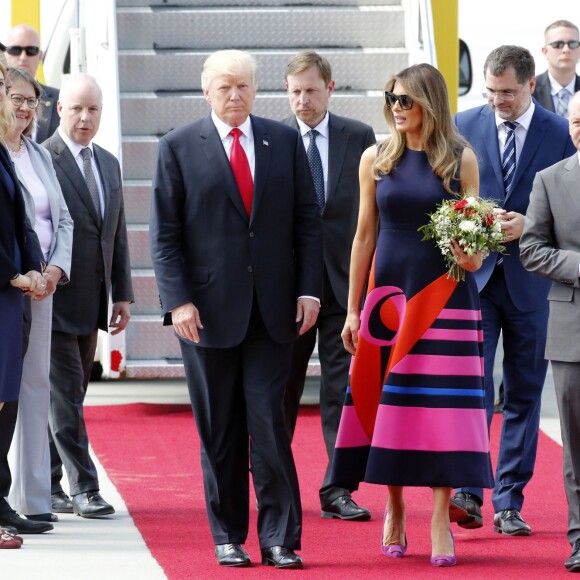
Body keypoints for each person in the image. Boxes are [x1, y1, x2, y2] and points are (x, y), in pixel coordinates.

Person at [150, 49, 322, 569]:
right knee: (220, 429)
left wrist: (309, 290)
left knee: (270, 424)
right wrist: (177, 300)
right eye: (225, 86)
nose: (235, 95)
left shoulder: (283, 141)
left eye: (244, 86)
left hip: (274, 314)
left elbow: (307, 222)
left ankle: (279, 538)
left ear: (256, 90)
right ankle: (228, 533)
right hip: (204, 315)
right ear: (206, 91)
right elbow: (164, 235)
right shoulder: (178, 148)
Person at [330, 63, 493, 567]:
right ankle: (395, 507)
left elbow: (474, 242)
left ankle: (440, 516)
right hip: (389, 302)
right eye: (391, 99)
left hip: (447, 300)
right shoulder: (374, 159)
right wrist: (353, 309)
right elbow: (363, 237)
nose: (396, 108)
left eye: (406, 100)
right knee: (389, 407)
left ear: (430, 102)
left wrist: (474, 255)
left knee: (442, 413)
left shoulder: (461, 160)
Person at [449, 45, 576, 536]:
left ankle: (508, 501)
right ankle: (466, 490)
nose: (497, 99)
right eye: (491, 90)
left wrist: (529, 225)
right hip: (475, 281)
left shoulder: (557, 130)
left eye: (507, 92)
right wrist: (473, 225)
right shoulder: (463, 124)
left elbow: (570, 203)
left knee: (523, 393)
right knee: (472, 388)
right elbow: (448, 193)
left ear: (529, 85)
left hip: (535, 284)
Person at [282, 50, 375, 522]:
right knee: (282, 390)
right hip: (290, 291)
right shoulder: (273, 139)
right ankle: (277, 486)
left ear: (331, 88)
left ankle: (338, 488)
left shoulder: (358, 137)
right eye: (295, 92)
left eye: (311, 90)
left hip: (343, 288)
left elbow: (368, 214)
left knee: (341, 391)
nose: (303, 100)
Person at [43, 73, 133, 518]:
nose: (84, 117)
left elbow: (113, 235)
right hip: (53, 301)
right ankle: (84, 488)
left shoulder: (109, 163)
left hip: (93, 303)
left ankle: (47, 482)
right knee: (65, 397)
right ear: (60, 110)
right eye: (76, 108)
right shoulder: (44, 159)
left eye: (93, 109)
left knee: (68, 397)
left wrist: (123, 294)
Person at [4, 67, 73, 525]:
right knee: (5, 389)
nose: (27, 109)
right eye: (18, 99)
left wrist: (53, 269)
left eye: (34, 101)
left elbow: (61, 219)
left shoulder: (39, 154)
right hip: (12, 283)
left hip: (43, 283)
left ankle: (36, 499)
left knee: (32, 388)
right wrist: (22, 274)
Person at [520, 91, 580, 573]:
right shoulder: (549, 180)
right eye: (576, 122)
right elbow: (532, 249)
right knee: (577, 444)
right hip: (571, 329)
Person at [0, 60, 48, 538]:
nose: (16, 103)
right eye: (4, 90)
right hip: (5, 289)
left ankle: (0, 499)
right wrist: (14, 274)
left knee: (7, 396)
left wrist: (33, 268)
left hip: (14, 295)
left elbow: (23, 220)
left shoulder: (6, 151)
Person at [4, 24, 60, 142]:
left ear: (40, 56)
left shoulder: (61, 99)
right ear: (4, 53)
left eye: (31, 50)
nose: (23, 57)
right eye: (15, 50)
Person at [534, 20, 580, 118]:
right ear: (545, 51)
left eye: (573, 44)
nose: (566, 50)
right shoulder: (529, 91)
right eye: (558, 44)